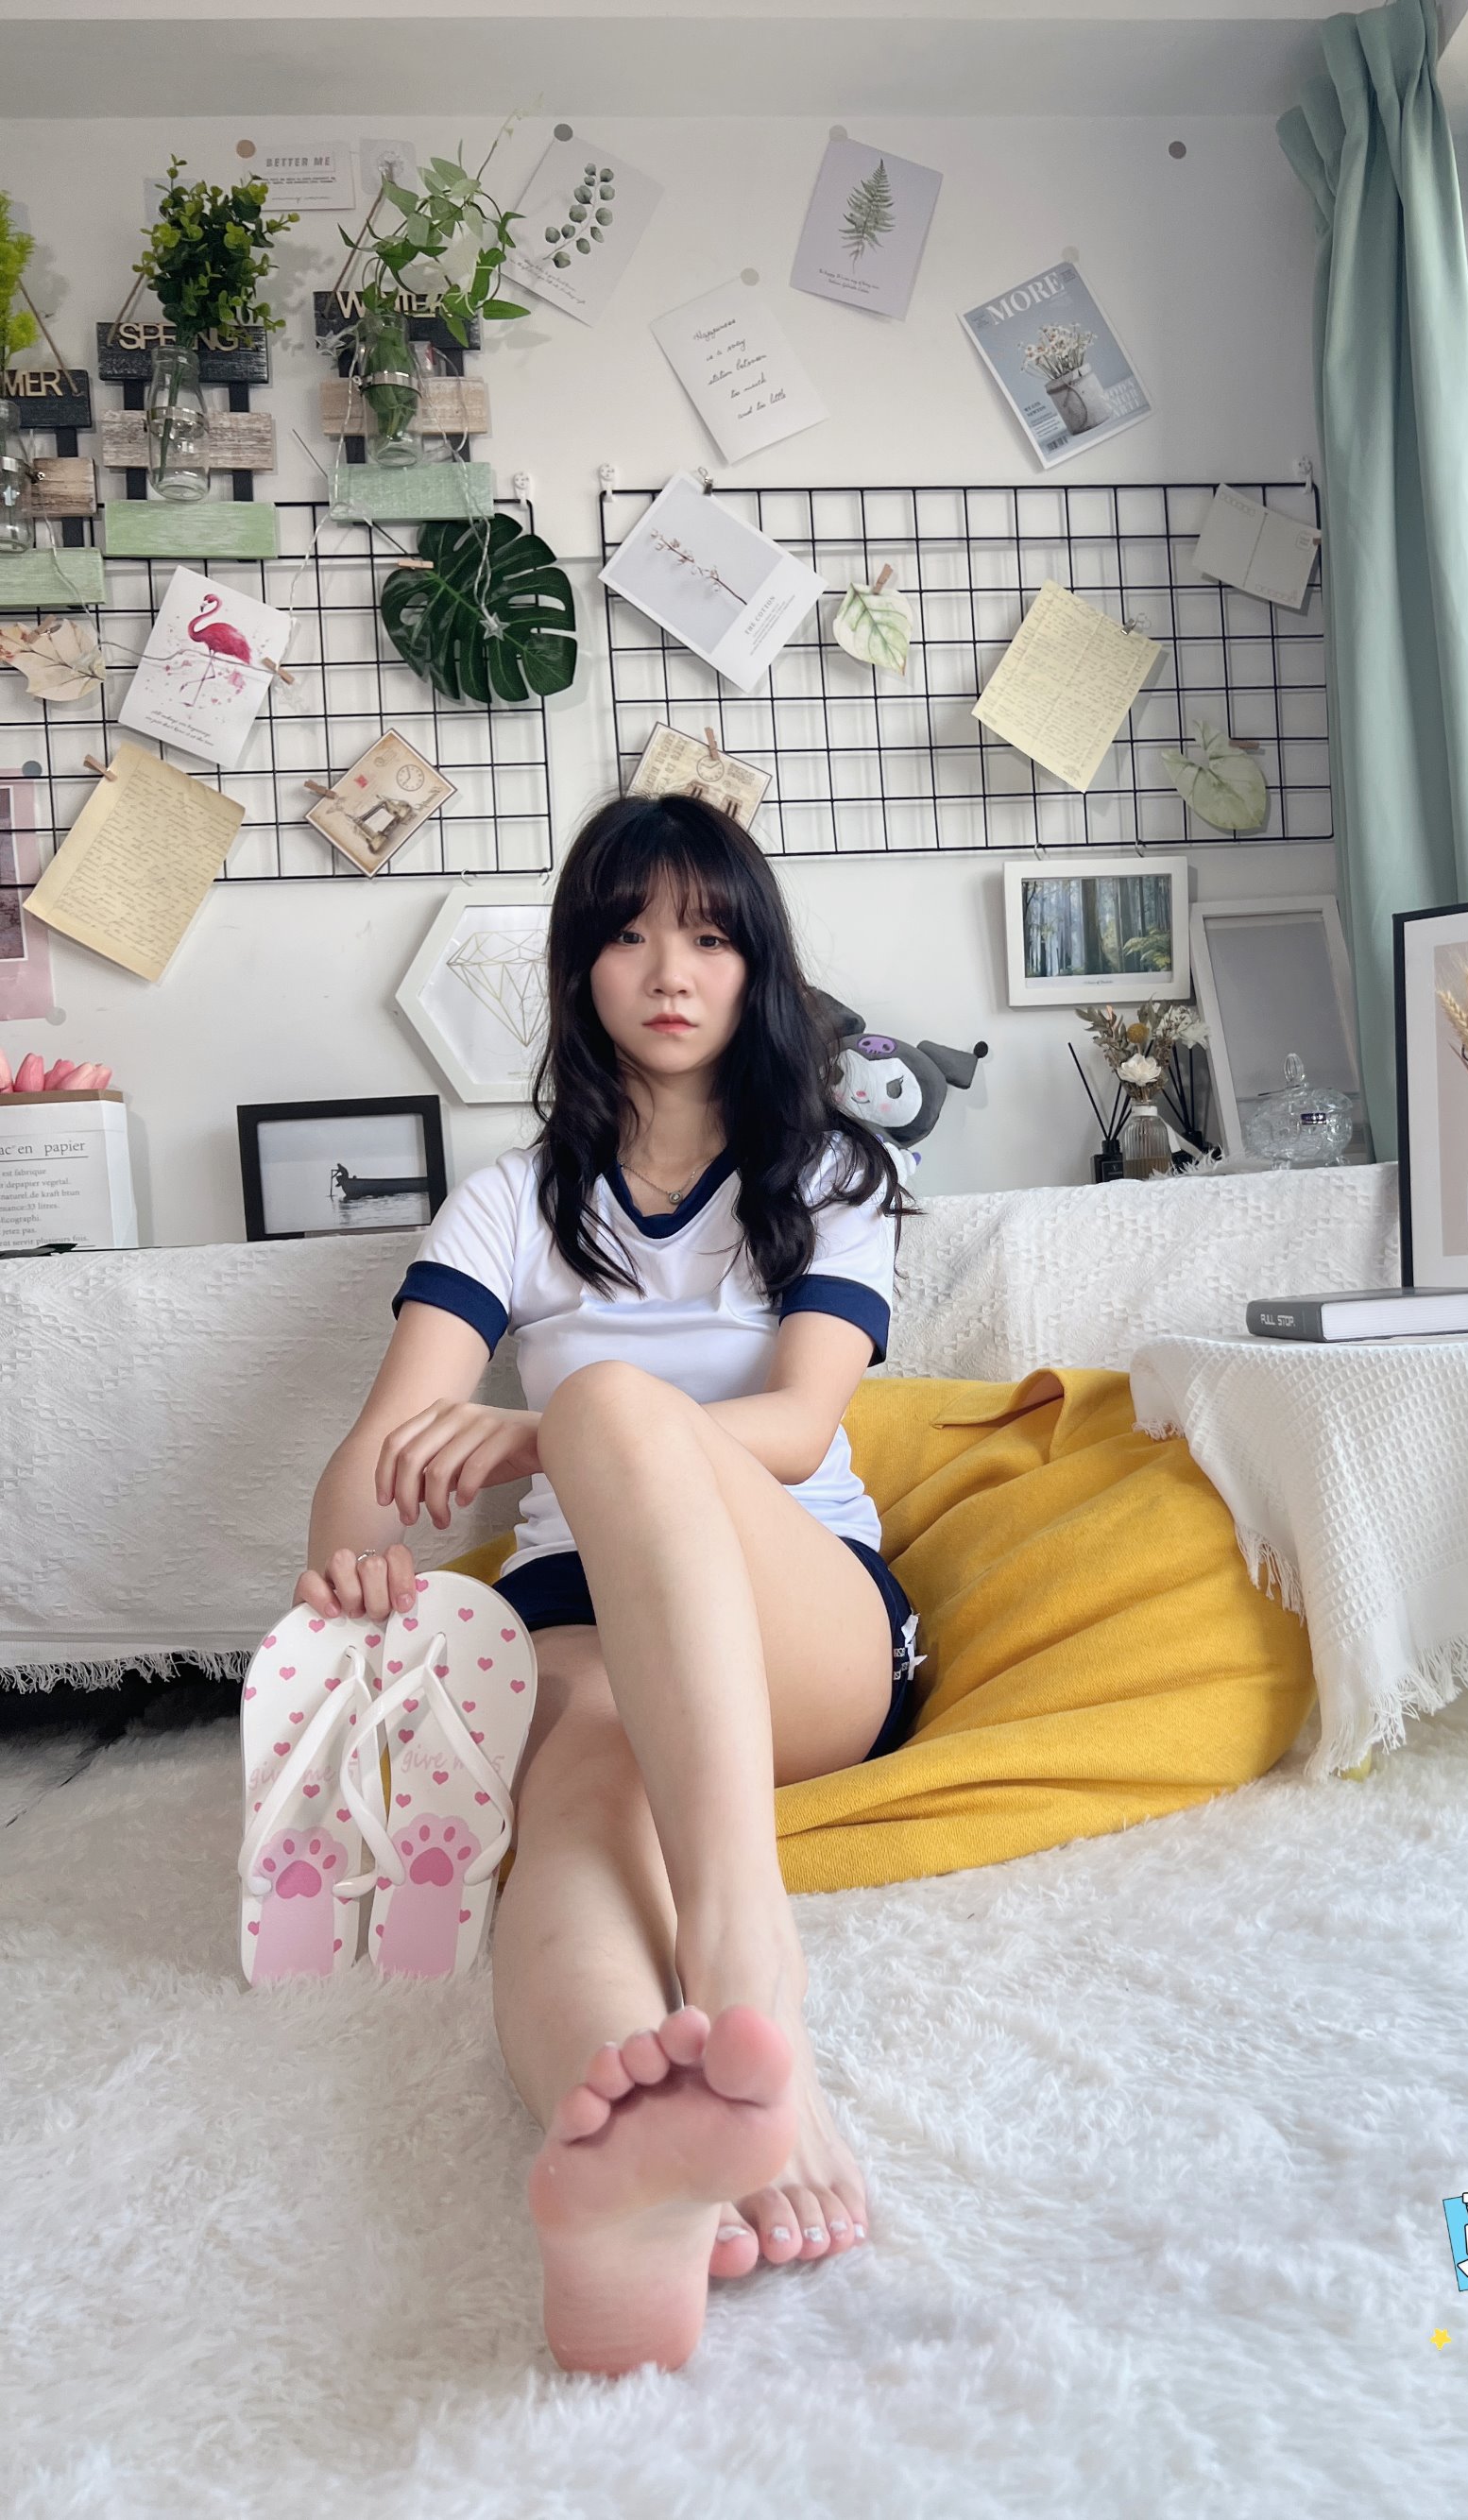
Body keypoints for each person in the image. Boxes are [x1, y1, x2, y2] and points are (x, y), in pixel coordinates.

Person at [293, 793, 919, 2374]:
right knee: (570, 1801)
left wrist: (557, 1431)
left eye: (707, 935)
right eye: (628, 934)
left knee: (611, 1407)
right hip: (579, 1618)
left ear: (756, 965)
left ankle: (750, 1974)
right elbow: (381, 1452)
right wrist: (361, 1539)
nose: (669, 969)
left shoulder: (832, 1175)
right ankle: (638, 2138)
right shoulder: (512, 1200)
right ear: (580, 968)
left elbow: (797, 1426)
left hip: (804, 1615)